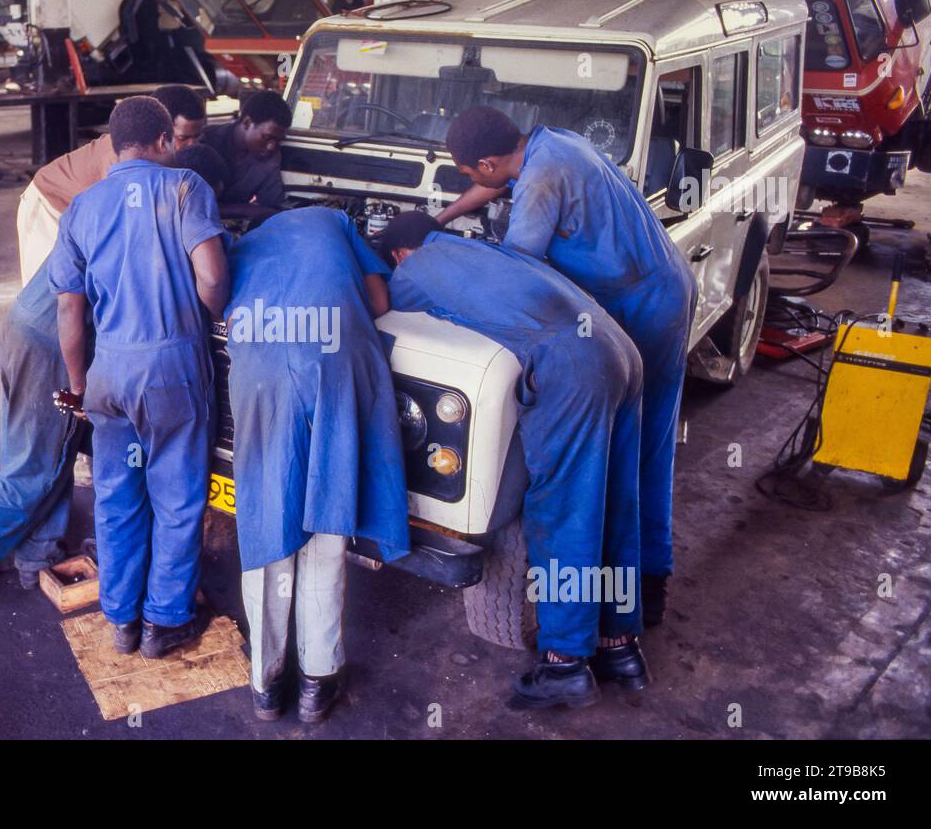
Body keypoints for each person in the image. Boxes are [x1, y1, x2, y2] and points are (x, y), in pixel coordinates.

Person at [0, 137, 233, 595]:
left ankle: (38, 555)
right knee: (38, 464)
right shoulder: (169, 217)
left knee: (56, 452)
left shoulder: (108, 202)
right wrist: (80, 383)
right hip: (50, 343)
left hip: (28, 327)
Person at [435, 106, 696, 626]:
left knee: (632, 448)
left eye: (470, 173)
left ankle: (640, 588)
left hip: (645, 306)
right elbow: (493, 187)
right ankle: (640, 585)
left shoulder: (540, 179)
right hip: (663, 284)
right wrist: (438, 222)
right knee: (645, 441)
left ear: (486, 163)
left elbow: (520, 276)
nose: (475, 183)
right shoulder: (550, 144)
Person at [382, 212, 646, 711]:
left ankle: (565, 664)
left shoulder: (416, 268)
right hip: (621, 351)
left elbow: (387, 310)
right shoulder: (489, 250)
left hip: (574, 370)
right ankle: (620, 647)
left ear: (399, 254)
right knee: (615, 504)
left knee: (565, 513)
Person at [49, 97, 229, 660]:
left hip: (108, 374)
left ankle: (122, 619)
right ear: (165, 140)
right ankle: (165, 621)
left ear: (114, 145)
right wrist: (205, 315)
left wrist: (79, 386)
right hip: (171, 370)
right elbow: (212, 276)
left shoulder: (82, 207)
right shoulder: (186, 187)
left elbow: (69, 310)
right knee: (176, 496)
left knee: (117, 494)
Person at [225, 206, 408, 723]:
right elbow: (379, 301)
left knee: (267, 526)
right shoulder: (337, 222)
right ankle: (316, 683)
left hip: (263, 377)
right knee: (326, 528)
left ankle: (265, 684)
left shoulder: (245, 245)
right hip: (332, 368)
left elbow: (227, 312)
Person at [17, 85, 209, 285]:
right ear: (162, 131)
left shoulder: (155, 151)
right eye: (183, 138)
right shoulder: (120, 159)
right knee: (48, 295)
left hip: (81, 215)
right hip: (49, 206)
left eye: (198, 137)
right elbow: (123, 226)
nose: (192, 145)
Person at [200, 90, 291, 215]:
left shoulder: (271, 157)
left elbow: (272, 205)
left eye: (278, 140)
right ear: (247, 123)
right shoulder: (206, 141)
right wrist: (246, 209)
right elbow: (193, 205)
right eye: (267, 137)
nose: (271, 146)